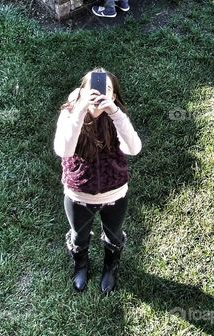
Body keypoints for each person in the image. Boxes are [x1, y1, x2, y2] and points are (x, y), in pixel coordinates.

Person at [53, 68, 142, 294]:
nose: (99, 93)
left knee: (114, 235)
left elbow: (133, 148)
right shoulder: (70, 114)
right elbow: (64, 150)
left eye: (107, 89)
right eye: (92, 88)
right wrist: (80, 110)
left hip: (115, 195)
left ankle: (111, 267)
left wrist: (115, 113)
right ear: (82, 91)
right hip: (78, 195)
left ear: (113, 96)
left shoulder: (117, 116)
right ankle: (81, 265)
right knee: (79, 235)